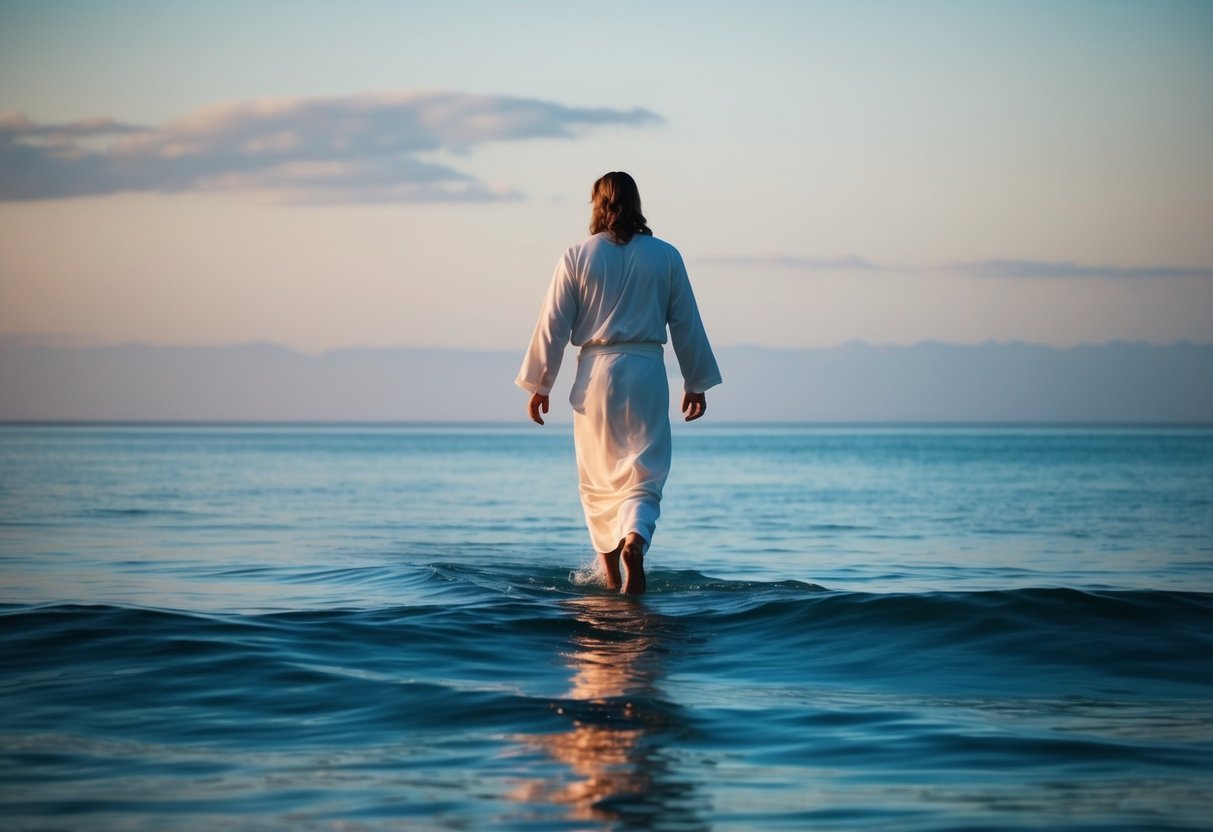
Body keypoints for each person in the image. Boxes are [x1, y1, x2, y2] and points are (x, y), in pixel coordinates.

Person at [516, 171, 721, 595]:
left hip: (596, 374)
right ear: (636, 202)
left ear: (598, 204)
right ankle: (635, 543)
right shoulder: (666, 255)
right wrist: (695, 380)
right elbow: (686, 321)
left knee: (597, 479)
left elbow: (552, 325)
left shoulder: (576, 255)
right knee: (643, 474)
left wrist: (540, 383)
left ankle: (611, 579)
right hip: (647, 371)